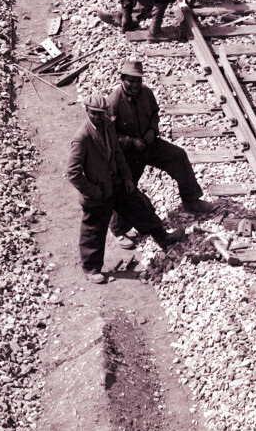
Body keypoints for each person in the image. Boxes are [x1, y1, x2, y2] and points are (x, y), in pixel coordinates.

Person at [66, 95, 185, 282]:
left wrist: (128, 177)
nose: (98, 117)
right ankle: (91, 269)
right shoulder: (82, 137)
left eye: (101, 113)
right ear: (86, 111)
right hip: (97, 193)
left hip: (116, 184)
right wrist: (93, 191)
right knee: (93, 230)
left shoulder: (107, 126)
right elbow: (72, 172)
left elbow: (118, 154)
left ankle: (163, 238)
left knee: (140, 209)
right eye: (94, 113)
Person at [110, 60, 216, 215]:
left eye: (138, 81)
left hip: (150, 144)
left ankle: (191, 201)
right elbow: (109, 136)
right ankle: (119, 230)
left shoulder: (146, 92)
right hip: (129, 153)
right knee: (127, 186)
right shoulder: (113, 102)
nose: (135, 85)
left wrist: (153, 129)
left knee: (178, 156)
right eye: (131, 81)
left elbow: (154, 113)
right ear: (122, 79)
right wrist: (131, 142)